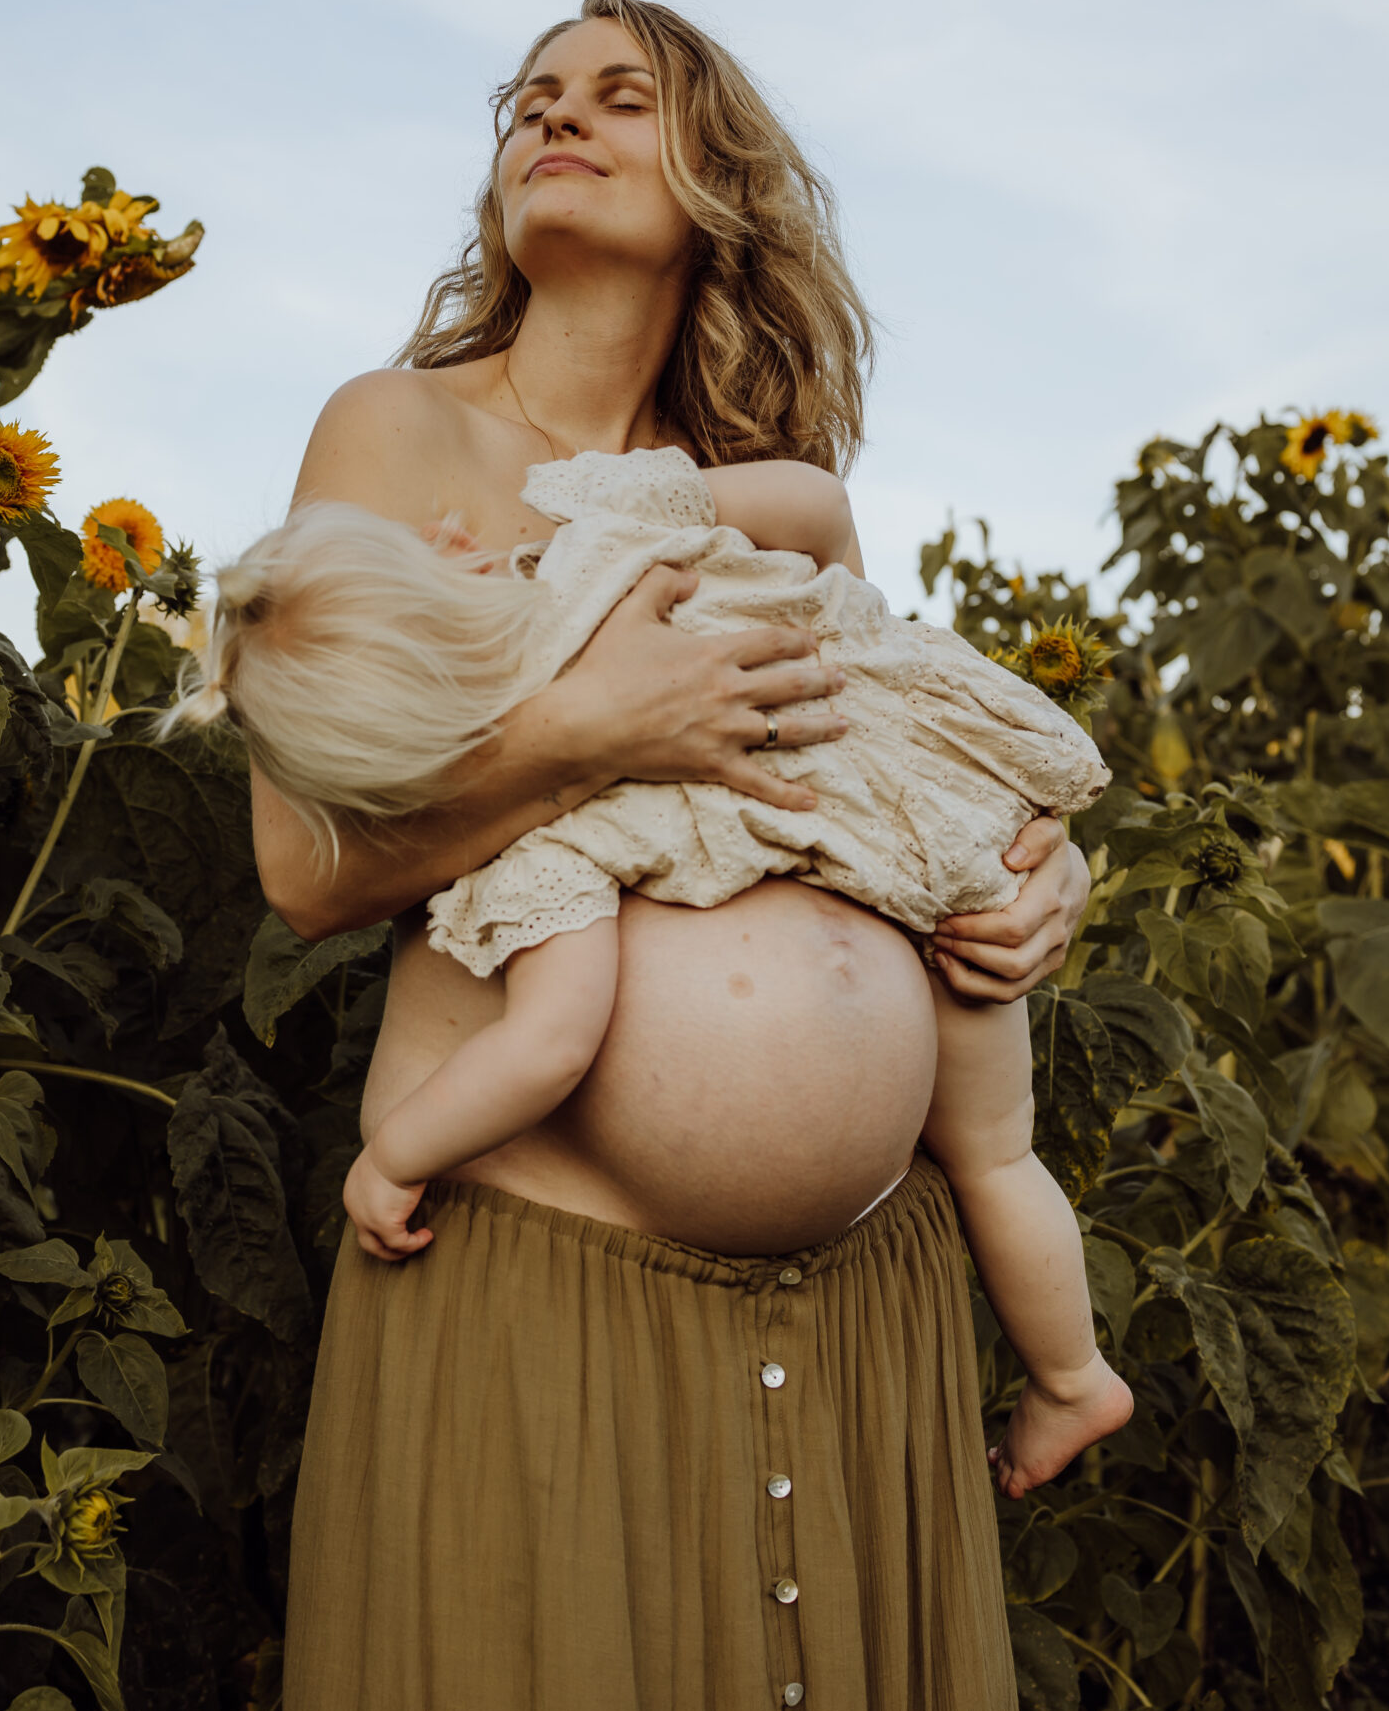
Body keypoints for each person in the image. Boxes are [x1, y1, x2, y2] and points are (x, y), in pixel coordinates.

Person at [251, 0, 1096, 1711]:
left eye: (619, 97)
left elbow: (887, 761)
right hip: (540, 1278)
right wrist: (584, 731)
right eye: (530, 99)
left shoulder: (763, 484)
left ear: (712, 181)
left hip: (867, 1296)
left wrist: (1033, 889)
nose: (558, 116)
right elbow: (301, 862)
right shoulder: (398, 431)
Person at [184, 447, 1131, 1500]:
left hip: (945, 879)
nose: (452, 531)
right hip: (948, 849)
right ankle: (1071, 1371)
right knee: (998, 1160)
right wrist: (715, 506)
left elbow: (550, 1041)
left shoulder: (547, 820)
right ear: (448, 551)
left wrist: (395, 1153)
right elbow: (818, 503)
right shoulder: (613, 542)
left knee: (997, 1161)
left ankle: (1075, 1380)